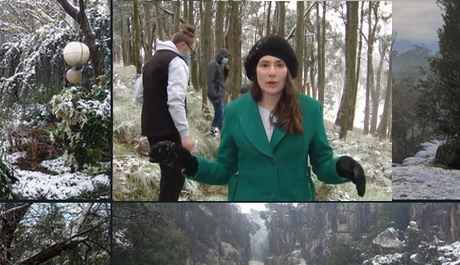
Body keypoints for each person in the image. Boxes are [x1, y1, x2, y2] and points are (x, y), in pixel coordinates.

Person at [149, 35, 365, 201]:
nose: (272, 72)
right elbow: (224, 169)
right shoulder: (235, 111)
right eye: (265, 65)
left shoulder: (309, 109)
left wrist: (341, 167)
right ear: (255, 71)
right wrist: (189, 163)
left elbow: (323, 165)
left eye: (279, 65)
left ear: (288, 71)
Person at [135, 25, 197, 201]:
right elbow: (175, 101)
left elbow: (139, 96)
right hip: (171, 129)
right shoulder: (177, 63)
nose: (189, 55)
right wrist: (185, 134)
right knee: (175, 178)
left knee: (167, 174)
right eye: (191, 51)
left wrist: (154, 110)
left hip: (151, 129)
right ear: (183, 45)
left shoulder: (149, 63)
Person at [206, 48, 230, 136]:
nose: (226, 59)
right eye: (225, 57)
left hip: (219, 93)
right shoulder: (213, 64)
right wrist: (214, 95)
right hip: (216, 95)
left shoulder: (219, 65)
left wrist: (226, 72)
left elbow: (221, 80)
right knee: (221, 115)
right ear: (220, 56)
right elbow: (210, 81)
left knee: (218, 113)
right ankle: (224, 134)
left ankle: (212, 130)